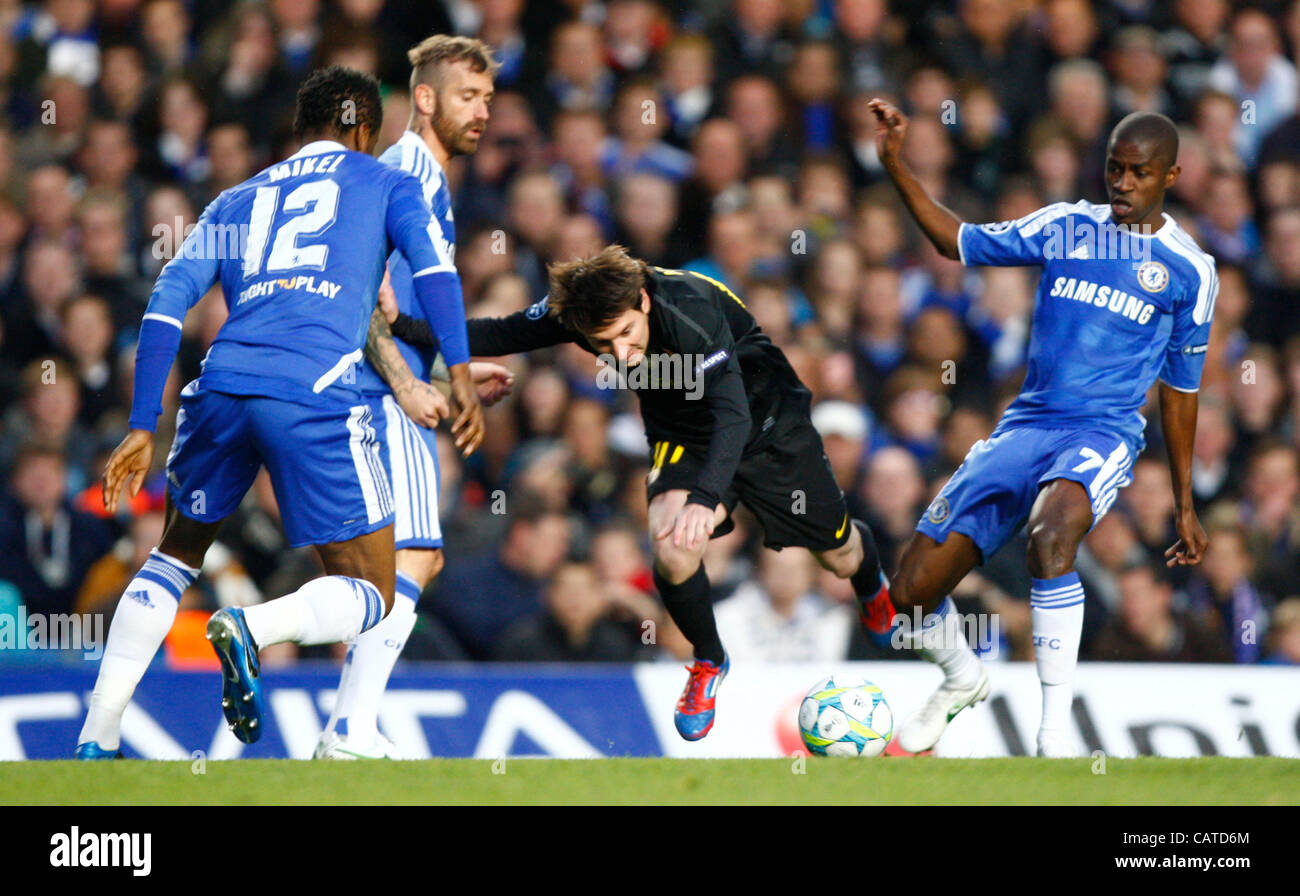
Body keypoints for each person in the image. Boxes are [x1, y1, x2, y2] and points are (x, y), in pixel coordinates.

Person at [74, 65, 485, 759]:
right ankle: (253, 627)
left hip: (221, 388)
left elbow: (166, 305)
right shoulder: (387, 181)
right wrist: (463, 369)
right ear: (362, 130)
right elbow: (437, 272)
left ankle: (96, 736)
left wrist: (144, 423)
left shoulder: (235, 199)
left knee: (173, 559)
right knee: (373, 591)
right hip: (316, 390)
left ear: (303, 127)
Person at [385, 244, 895, 741]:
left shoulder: (689, 310)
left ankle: (872, 587)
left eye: (628, 334)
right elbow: (499, 332)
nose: (622, 355)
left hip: (765, 424)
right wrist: (403, 327)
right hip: (682, 433)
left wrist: (704, 498)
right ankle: (708, 659)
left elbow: (732, 416)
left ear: (645, 302)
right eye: (604, 345)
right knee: (673, 548)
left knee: (841, 557)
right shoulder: (579, 312)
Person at [870, 98, 1217, 756]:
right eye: (1114, 169)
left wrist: (1184, 503)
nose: (1121, 183)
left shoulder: (1189, 270)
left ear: (1169, 177)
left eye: (1138, 172)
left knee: (1051, 535)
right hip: (1025, 426)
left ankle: (1053, 733)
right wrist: (895, 164)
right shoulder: (1065, 226)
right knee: (909, 594)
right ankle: (959, 678)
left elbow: (1181, 392)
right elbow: (956, 240)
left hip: (1103, 432)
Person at [314, 35, 515, 761]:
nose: (483, 112)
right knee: (417, 556)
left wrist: (436, 374)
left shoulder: (421, 177)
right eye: (468, 96)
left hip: (387, 386)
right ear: (424, 98)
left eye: (489, 99)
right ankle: (347, 726)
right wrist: (416, 382)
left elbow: (392, 304)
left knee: (379, 567)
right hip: (377, 394)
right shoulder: (404, 174)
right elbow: (361, 294)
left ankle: (348, 726)